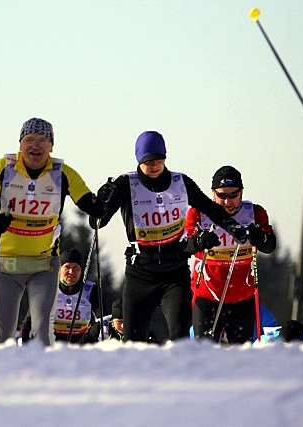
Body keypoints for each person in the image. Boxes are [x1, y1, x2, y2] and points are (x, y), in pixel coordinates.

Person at [91, 131, 248, 343]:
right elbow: (97, 224)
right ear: (139, 160)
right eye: (148, 161)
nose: (154, 165)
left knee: (180, 338)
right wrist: (100, 203)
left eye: (158, 160)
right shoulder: (126, 183)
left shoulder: (180, 182)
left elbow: (209, 208)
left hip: (174, 272)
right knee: (133, 342)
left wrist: (232, 227)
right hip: (140, 274)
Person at [0, 117, 106, 346]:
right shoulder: (4, 168)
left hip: (44, 264)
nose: (35, 146)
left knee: (42, 333)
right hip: (6, 264)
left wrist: (102, 201)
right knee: (3, 334)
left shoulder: (62, 174)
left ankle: (44, 379)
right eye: (29, 139)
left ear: (51, 146)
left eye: (42, 141)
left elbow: (92, 208)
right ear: (20, 144)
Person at [185, 166, 276, 343]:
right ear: (213, 194)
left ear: (242, 192)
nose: (228, 202)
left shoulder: (254, 213)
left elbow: (270, 245)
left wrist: (259, 238)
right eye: (222, 196)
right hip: (207, 298)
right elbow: (184, 246)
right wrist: (200, 241)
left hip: (242, 299)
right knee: (204, 354)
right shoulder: (198, 213)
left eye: (233, 195)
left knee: (241, 358)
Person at [20, 249, 101, 344]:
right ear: (59, 269)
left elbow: (103, 319)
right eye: (67, 267)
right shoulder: (48, 289)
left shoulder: (91, 289)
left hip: (81, 347)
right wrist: (24, 344)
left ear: (81, 271)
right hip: (52, 346)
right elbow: (29, 321)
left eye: (76, 268)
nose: (71, 272)